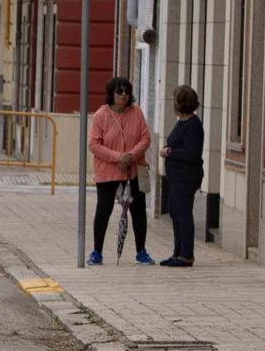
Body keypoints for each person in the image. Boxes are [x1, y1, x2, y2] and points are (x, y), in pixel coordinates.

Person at [87, 76, 152, 265]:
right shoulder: (101, 115)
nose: (124, 95)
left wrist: (130, 156)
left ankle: (141, 251)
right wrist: (118, 157)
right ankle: (97, 251)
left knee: (138, 211)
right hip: (108, 172)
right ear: (111, 94)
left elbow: (145, 138)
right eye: (119, 91)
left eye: (127, 91)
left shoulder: (136, 112)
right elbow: (94, 144)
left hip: (133, 170)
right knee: (103, 210)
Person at [159, 85, 204, 267]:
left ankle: (186, 254)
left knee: (183, 214)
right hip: (176, 177)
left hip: (186, 177)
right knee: (175, 212)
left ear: (180, 103)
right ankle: (177, 251)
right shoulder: (182, 122)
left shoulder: (193, 125)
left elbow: (192, 153)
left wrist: (170, 152)